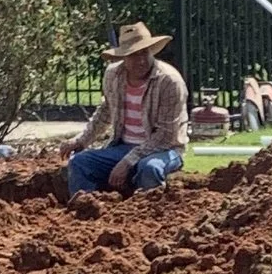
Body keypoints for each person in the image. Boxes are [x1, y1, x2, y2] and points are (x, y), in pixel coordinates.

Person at [66, 23, 188, 206]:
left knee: (149, 168)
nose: (141, 60)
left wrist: (128, 161)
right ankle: (86, 211)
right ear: (123, 57)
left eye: (144, 53)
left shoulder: (169, 81)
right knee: (79, 163)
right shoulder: (113, 75)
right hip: (122, 146)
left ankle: (149, 216)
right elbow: (106, 111)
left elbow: (166, 135)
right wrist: (81, 141)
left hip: (165, 149)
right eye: (133, 54)